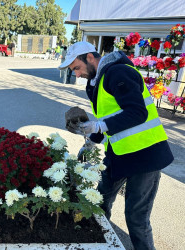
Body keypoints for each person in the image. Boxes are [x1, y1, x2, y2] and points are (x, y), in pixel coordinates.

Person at [59, 41, 174, 250]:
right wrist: (91, 141)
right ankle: (100, 243)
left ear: (90, 57)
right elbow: (109, 117)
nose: (76, 75)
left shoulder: (118, 73)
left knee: (136, 218)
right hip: (119, 153)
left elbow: (137, 113)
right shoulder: (94, 82)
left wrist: (98, 126)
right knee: (100, 201)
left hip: (145, 156)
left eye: (77, 67)